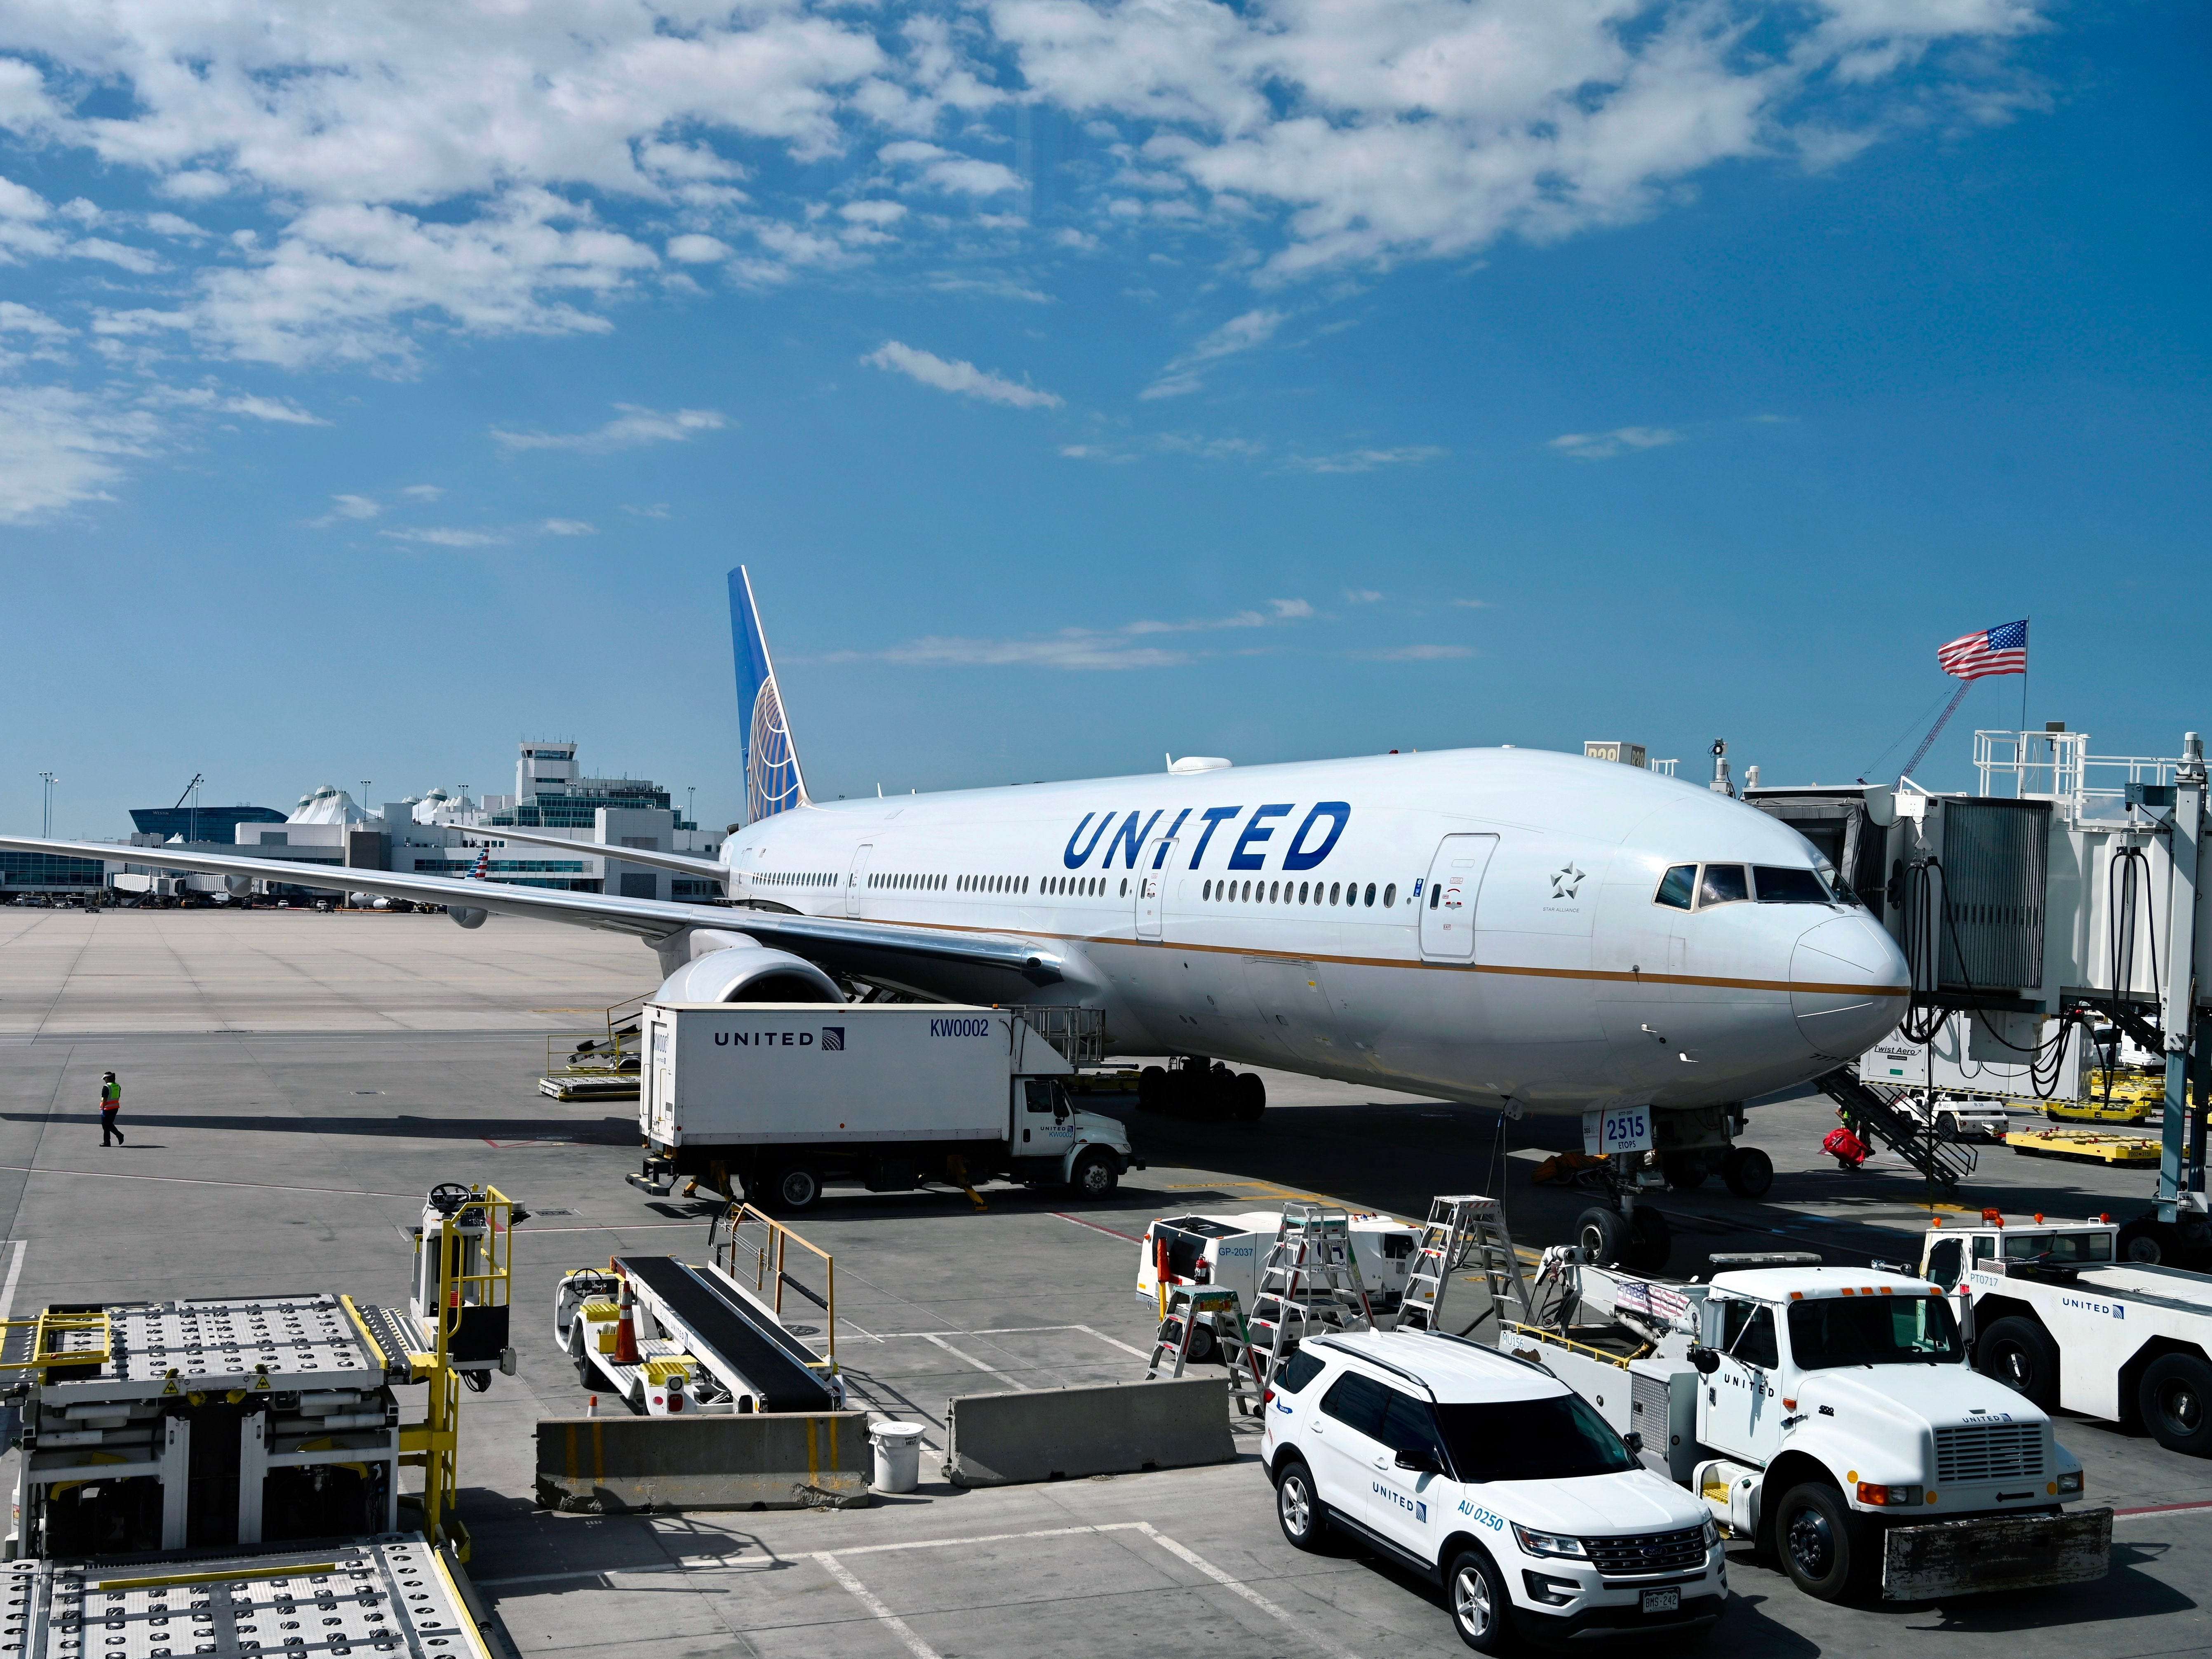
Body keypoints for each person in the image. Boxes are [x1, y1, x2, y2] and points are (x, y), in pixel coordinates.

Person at [99, 1071, 123, 1146]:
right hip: (115, 1108)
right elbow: (118, 1096)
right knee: (107, 1125)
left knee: (106, 1125)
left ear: (107, 1078)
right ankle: (107, 1142)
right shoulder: (117, 1086)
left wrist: (103, 1108)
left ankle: (119, 1135)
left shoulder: (107, 1087)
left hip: (107, 1109)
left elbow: (105, 1099)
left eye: (105, 1079)